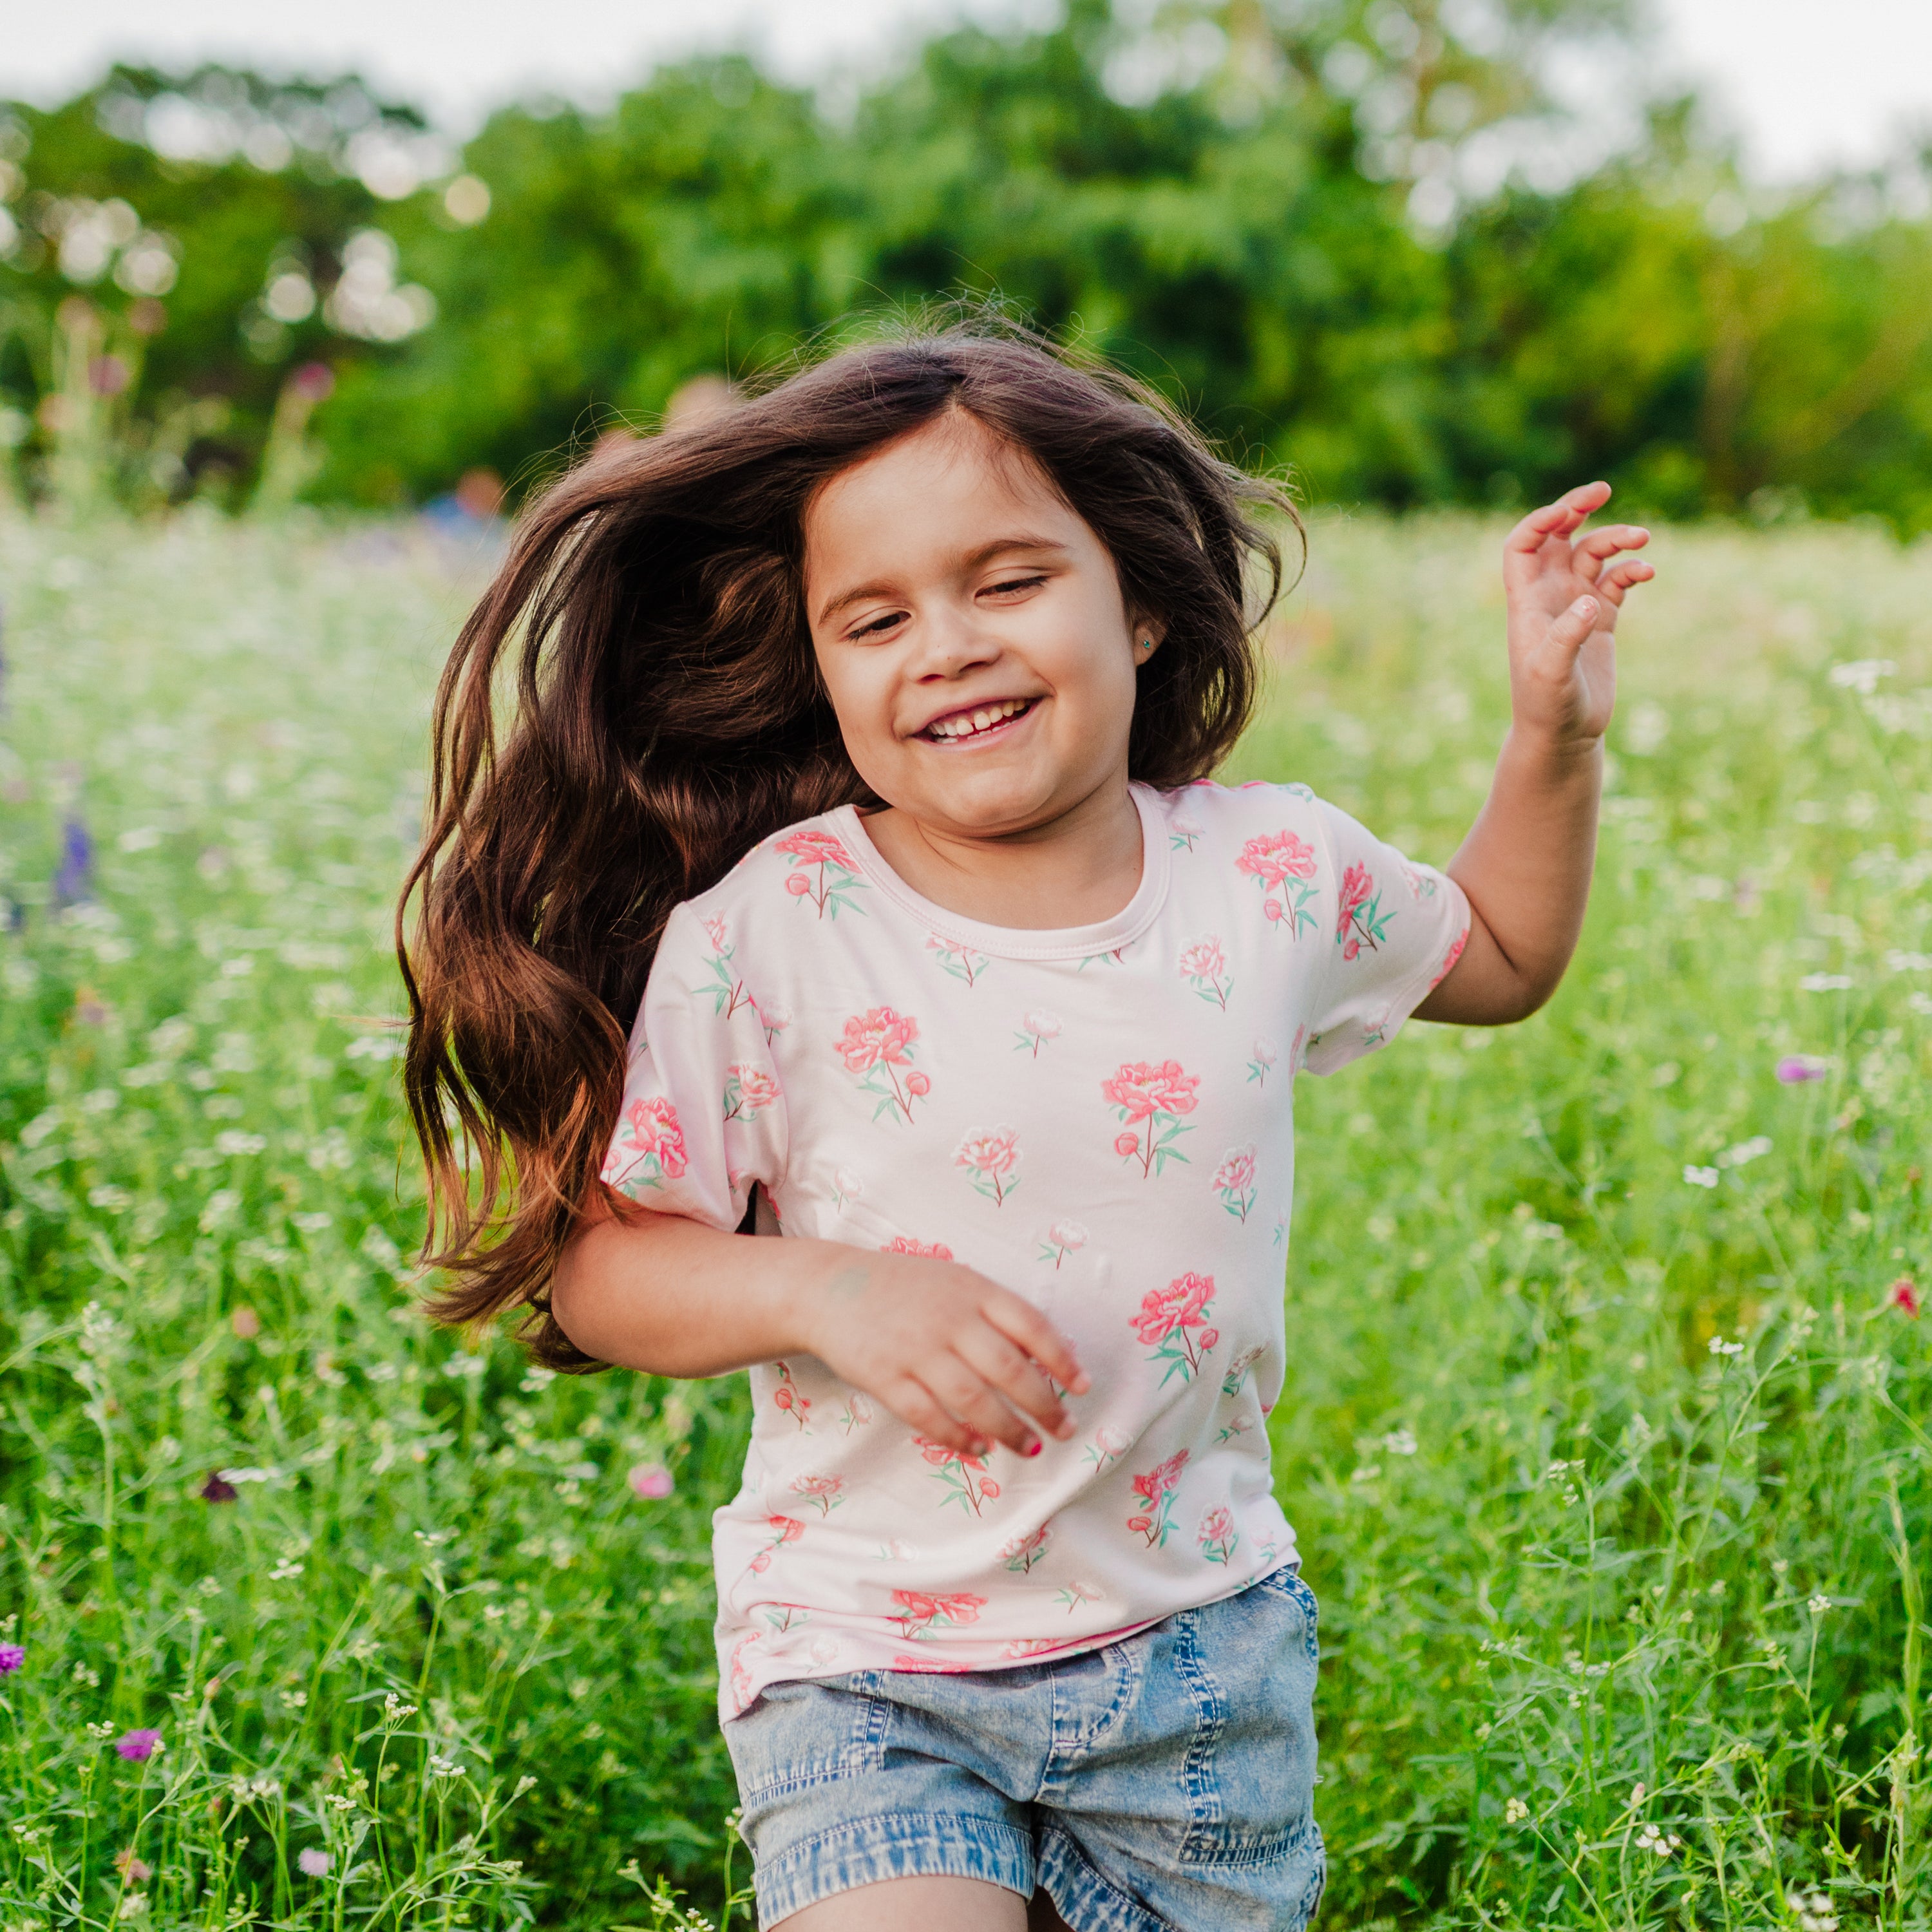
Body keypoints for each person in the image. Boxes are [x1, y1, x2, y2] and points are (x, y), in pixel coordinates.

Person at [400, 323, 1652, 1931]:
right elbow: (610, 1267)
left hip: (1197, 1652)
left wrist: (1553, 730)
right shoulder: (771, 929)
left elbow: (1503, 953)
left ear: (1135, 600)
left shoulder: (1269, 876)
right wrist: (826, 1290)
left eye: (1007, 583)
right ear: (821, 666)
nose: (947, 645)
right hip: (866, 1657)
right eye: (876, 617)